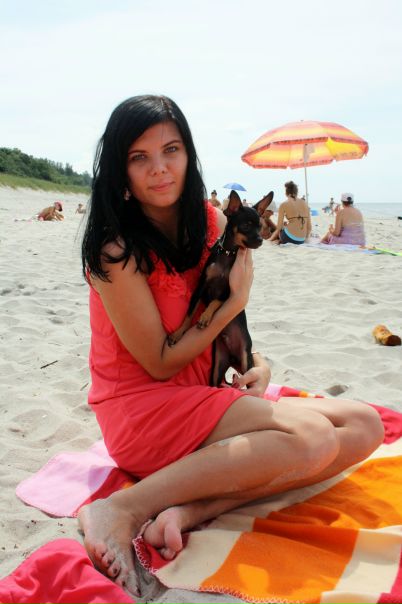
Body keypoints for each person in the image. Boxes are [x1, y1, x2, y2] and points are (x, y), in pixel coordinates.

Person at [79, 95, 384, 596]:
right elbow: (159, 362)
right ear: (121, 170)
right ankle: (122, 508)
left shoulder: (213, 223)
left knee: (364, 424)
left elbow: (232, 325)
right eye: (139, 157)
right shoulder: (115, 250)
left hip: (205, 391)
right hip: (143, 407)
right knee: (312, 437)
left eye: (171, 150)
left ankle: (195, 507)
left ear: (188, 154)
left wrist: (258, 363)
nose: (159, 169)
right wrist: (234, 301)